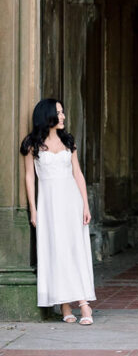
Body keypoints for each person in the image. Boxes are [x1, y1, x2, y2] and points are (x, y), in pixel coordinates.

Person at [20, 98, 96, 325]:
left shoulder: (68, 142)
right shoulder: (32, 145)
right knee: (56, 251)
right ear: (47, 116)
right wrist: (33, 211)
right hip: (49, 206)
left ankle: (83, 303)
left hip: (71, 202)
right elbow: (29, 178)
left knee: (74, 250)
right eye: (59, 113)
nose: (63, 117)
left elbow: (78, 174)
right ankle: (64, 306)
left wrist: (85, 204)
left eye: (63, 112)